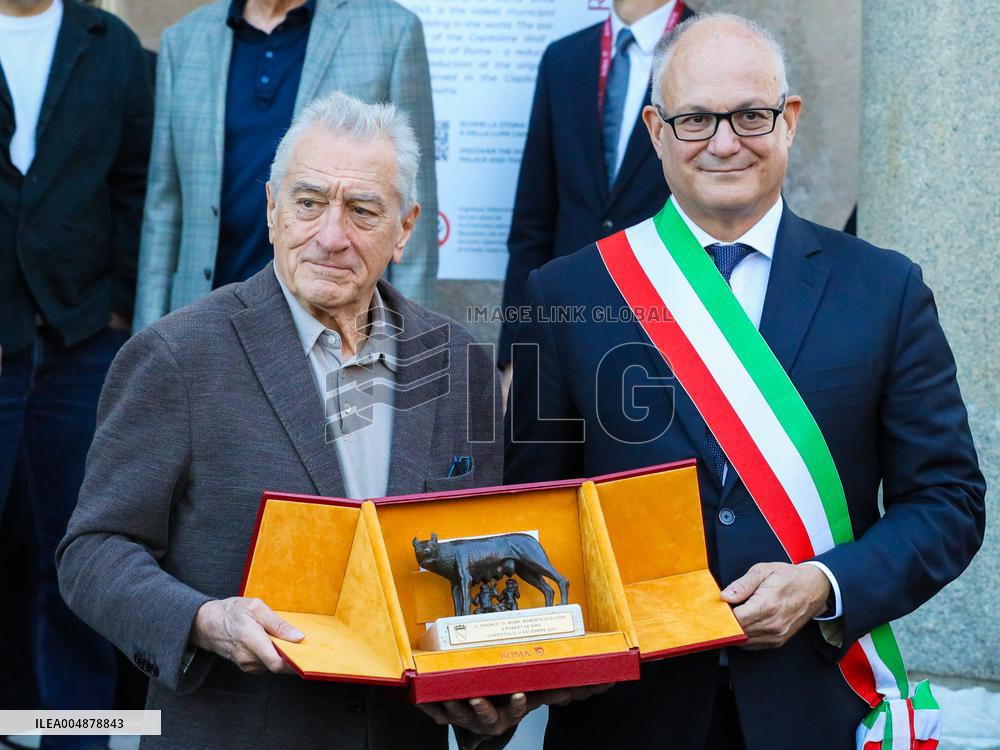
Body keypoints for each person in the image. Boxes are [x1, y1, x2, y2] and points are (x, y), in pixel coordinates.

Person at [505, 13, 986, 750]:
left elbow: (948, 503)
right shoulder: (566, 291)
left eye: (751, 115)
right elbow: (531, 509)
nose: (724, 142)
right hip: (625, 715)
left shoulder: (883, 290)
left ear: (789, 120)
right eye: (695, 118)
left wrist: (827, 585)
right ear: (656, 130)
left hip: (813, 709)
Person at [0, 0, 152, 746]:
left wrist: (116, 311)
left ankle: (76, 733)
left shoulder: (111, 44)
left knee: (78, 555)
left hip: (79, 343)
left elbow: (135, 183)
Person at [132, 0, 439, 337]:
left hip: (333, 321)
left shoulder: (391, 30)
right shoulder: (185, 39)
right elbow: (165, 206)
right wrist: (146, 334)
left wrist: (409, 345)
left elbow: (410, 205)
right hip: (206, 317)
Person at [497, 0, 694, 377]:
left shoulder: (712, 51)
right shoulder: (565, 59)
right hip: (565, 338)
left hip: (673, 343)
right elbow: (532, 223)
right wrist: (515, 355)